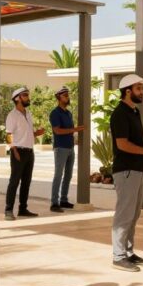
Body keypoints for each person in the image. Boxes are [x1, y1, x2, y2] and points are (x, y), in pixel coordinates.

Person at [109, 73, 143, 272]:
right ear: (128, 91)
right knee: (124, 213)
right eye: (139, 88)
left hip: (138, 169)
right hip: (127, 171)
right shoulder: (120, 113)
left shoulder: (135, 112)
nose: (142, 92)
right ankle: (118, 256)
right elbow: (122, 144)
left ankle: (128, 253)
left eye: (142, 88)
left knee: (134, 213)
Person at [4, 87, 45, 221]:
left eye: (27, 95)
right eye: (25, 95)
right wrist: (13, 150)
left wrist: (36, 134)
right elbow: (8, 135)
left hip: (29, 151)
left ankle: (23, 209)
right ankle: (8, 210)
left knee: (26, 182)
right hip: (18, 151)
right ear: (17, 98)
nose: (28, 97)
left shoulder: (28, 114)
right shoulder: (12, 115)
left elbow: (26, 134)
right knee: (14, 181)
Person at [49, 85, 85, 213]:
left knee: (68, 175)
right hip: (60, 148)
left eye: (68, 95)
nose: (67, 97)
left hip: (70, 147)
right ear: (59, 97)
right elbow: (57, 131)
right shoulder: (55, 113)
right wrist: (75, 130)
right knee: (58, 175)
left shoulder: (68, 113)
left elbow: (70, 131)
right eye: (65, 95)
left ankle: (63, 200)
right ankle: (54, 202)